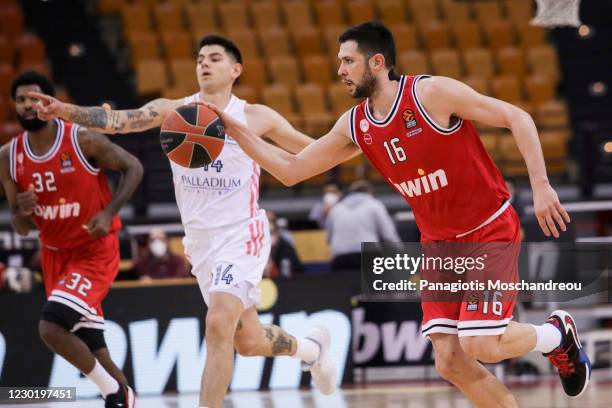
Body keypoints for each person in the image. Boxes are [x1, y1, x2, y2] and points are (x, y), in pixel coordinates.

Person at [204, 21, 591, 406]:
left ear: (377, 63)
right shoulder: (355, 125)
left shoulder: (431, 94)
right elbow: (291, 171)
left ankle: (556, 334)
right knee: (450, 360)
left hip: (487, 229)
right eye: (340, 61)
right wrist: (237, 132)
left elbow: (517, 117)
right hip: (439, 245)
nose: (340, 70)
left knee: (481, 343)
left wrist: (541, 186)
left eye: (348, 61)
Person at [31, 36, 337, 408]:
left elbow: (316, 151)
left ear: (235, 70)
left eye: (214, 58)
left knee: (218, 322)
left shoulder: (256, 116)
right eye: (199, 59)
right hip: (201, 243)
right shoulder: (176, 112)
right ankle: (310, 349)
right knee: (248, 340)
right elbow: (117, 122)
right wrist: (64, 109)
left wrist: (362, 141)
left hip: (243, 233)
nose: (204, 64)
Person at [0, 71, 143, 407]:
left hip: (94, 250)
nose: (28, 105)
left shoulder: (82, 140)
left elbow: (133, 166)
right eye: (21, 100)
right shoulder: (9, 156)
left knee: (50, 328)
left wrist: (109, 212)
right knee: (95, 350)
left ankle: (115, 394)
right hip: (55, 257)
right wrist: (21, 211)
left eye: (35, 98)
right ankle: (125, 399)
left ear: (49, 103)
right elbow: (21, 227)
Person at [326, 179, 400, 271]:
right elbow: (389, 235)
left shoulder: (336, 209)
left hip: (340, 257)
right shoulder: (374, 205)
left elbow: (328, 238)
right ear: (370, 192)